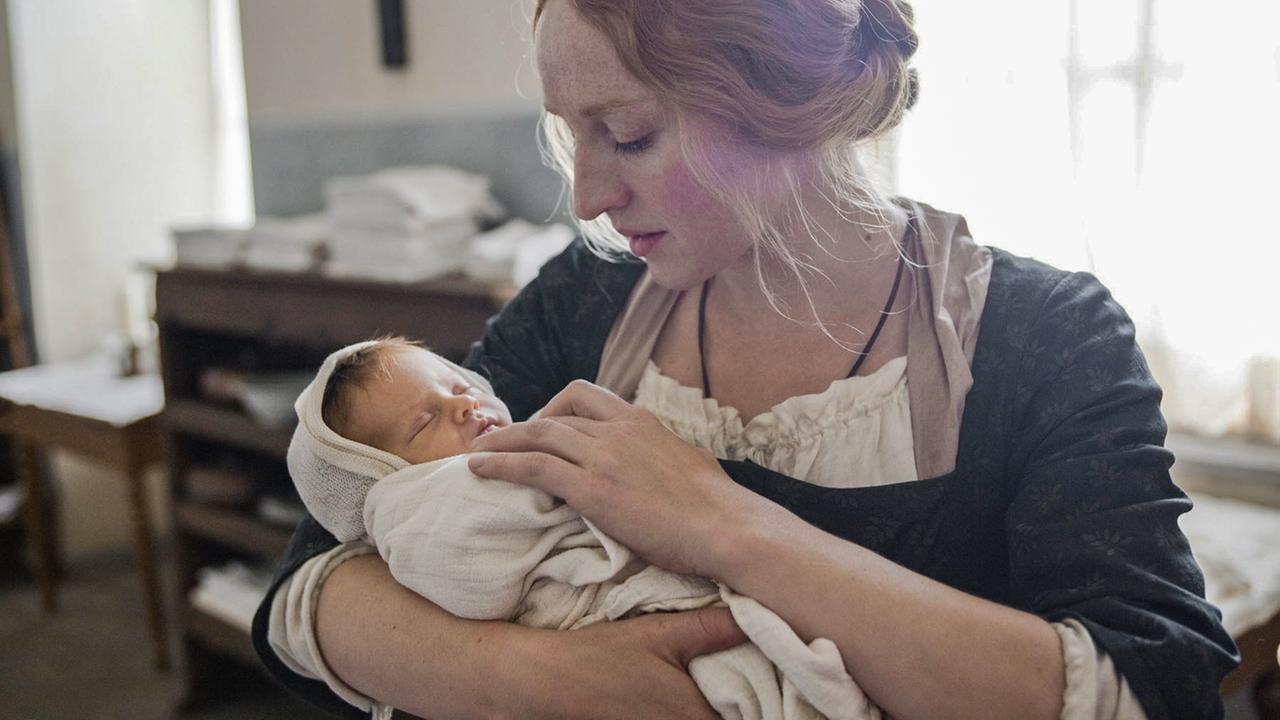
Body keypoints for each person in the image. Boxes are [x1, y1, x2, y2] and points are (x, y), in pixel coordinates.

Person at [252, 1, 1239, 719]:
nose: (587, 195)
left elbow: (1153, 691)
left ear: (785, 101)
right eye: (569, 134)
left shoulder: (1042, 337)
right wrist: (544, 682)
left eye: (628, 133)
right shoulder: (583, 303)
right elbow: (315, 581)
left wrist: (724, 524)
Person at [288, 336, 885, 720]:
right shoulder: (425, 507)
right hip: (598, 615)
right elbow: (476, 579)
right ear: (382, 473)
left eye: (461, 387)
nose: (464, 406)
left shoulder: (506, 446)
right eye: (425, 423)